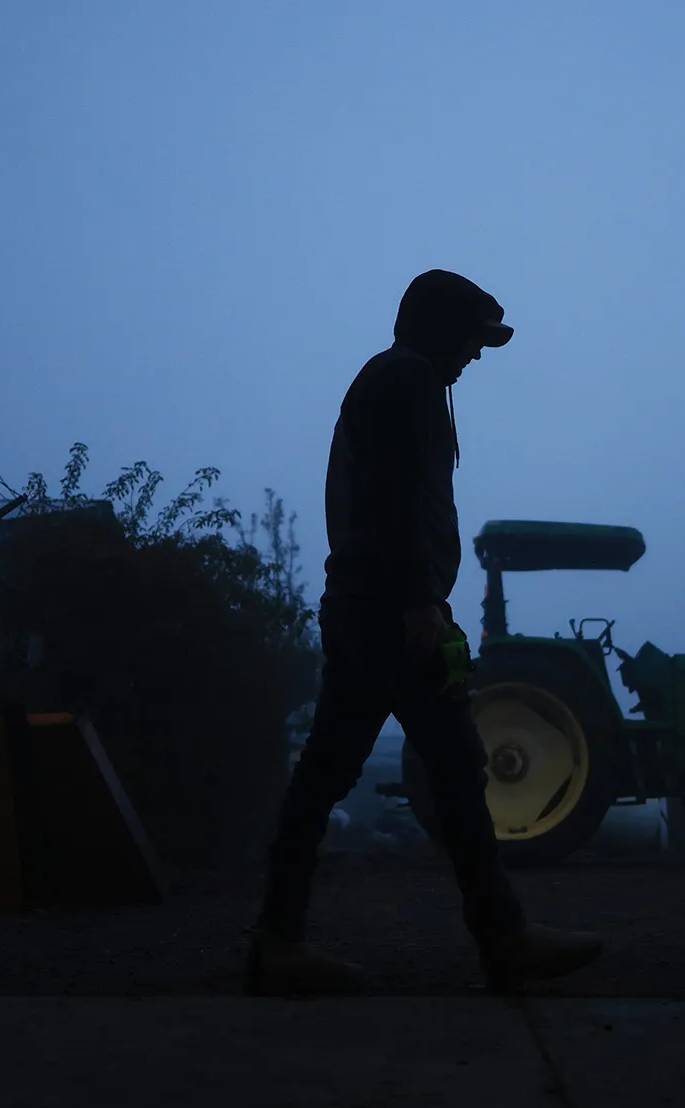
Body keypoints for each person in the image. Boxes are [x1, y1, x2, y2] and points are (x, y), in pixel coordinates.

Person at [245, 269, 603, 995]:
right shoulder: (407, 381)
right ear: (444, 329)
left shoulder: (396, 379)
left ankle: (277, 941)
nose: (476, 356)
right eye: (473, 340)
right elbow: (396, 498)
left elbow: (386, 499)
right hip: (388, 609)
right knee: (456, 762)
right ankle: (504, 938)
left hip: (363, 604)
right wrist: (419, 602)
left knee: (328, 774)